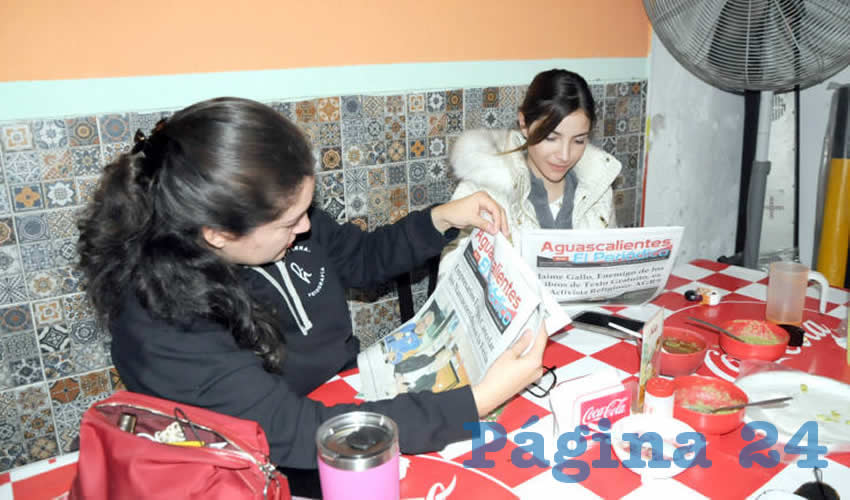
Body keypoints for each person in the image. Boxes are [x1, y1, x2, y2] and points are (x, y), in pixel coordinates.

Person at [76, 97, 547, 494]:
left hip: (338, 403)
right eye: (289, 222)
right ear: (217, 233)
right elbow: (291, 433)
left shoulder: (273, 218)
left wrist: (441, 218)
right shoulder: (162, 324)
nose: (305, 228)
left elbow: (361, 257)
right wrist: (476, 401)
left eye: (306, 210)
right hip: (267, 467)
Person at [441, 69, 622, 267]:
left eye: (579, 140)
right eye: (551, 138)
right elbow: (453, 279)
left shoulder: (599, 187)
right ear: (524, 124)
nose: (564, 155)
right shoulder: (481, 189)